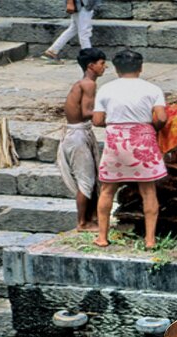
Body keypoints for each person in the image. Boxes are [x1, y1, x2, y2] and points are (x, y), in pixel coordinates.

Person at [92, 49, 168, 250]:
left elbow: (97, 120)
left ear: (116, 69)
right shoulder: (153, 89)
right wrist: (151, 128)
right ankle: (150, 240)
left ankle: (102, 237)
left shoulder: (105, 89)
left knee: (107, 189)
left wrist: (116, 123)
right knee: (148, 191)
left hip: (116, 141)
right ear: (140, 68)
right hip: (143, 139)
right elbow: (162, 118)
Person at [56, 48, 107, 232]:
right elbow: (86, 112)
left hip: (77, 133)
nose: (105, 67)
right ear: (91, 66)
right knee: (86, 181)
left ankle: (91, 218)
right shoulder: (89, 84)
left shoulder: (83, 83)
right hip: (77, 136)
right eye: (102, 63)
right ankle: (82, 223)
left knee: (90, 180)